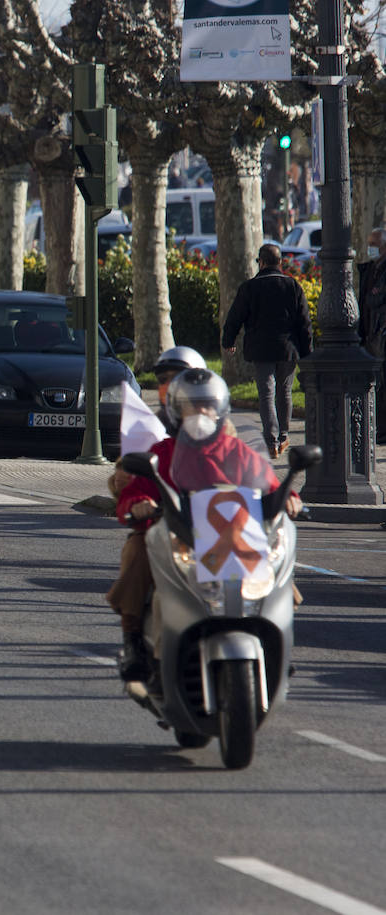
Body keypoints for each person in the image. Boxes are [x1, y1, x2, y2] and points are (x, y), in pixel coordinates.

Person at [113, 367, 301, 681]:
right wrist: (138, 505)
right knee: (137, 549)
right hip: (176, 536)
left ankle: (275, 640)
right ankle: (133, 640)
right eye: (193, 405)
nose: (201, 411)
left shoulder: (238, 452)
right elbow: (131, 495)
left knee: (275, 562)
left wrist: (289, 497)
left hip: (230, 539)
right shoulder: (161, 453)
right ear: (176, 411)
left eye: (208, 405)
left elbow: (269, 485)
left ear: (220, 410)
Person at [106, 345, 207, 681]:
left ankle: (272, 632)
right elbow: (128, 479)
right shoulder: (156, 432)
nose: (168, 387)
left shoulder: (223, 436)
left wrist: (283, 495)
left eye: (176, 379)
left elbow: (251, 473)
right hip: (165, 526)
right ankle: (133, 639)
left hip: (216, 530)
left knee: (267, 556)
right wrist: (127, 489)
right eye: (162, 381)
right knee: (138, 550)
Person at [221, 243, 313, 458]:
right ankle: (283, 435)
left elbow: (235, 317)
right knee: (285, 393)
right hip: (288, 349)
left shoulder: (249, 287)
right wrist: (308, 353)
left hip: (261, 349)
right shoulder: (292, 286)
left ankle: (270, 441)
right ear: (280, 262)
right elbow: (304, 322)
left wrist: (228, 340)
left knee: (266, 395)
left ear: (260, 263)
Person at [358, 227, 386, 443]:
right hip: (373, 334)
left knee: (381, 384)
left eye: (374, 245)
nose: (370, 249)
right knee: (377, 384)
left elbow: (375, 300)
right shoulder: (372, 269)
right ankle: (380, 428)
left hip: (381, 334)